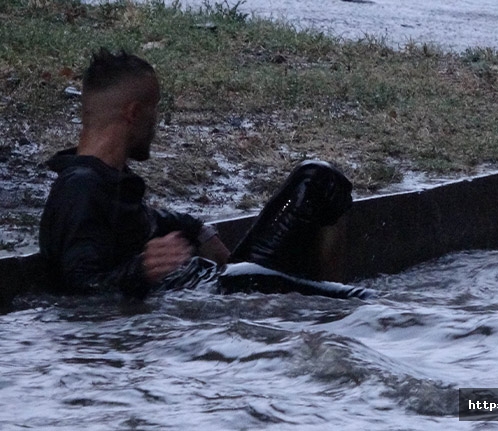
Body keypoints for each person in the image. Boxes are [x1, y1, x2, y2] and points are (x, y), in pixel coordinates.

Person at [39, 48, 370, 300]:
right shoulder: (81, 187)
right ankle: (334, 314)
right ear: (134, 113)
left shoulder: (105, 179)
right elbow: (79, 289)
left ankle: (324, 306)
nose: (157, 124)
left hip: (218, 283)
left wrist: (197, 228)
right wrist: (140, 270)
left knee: (320, 182)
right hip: (218, 295)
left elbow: (137, 223)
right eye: (155, 111)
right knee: (354, 298)